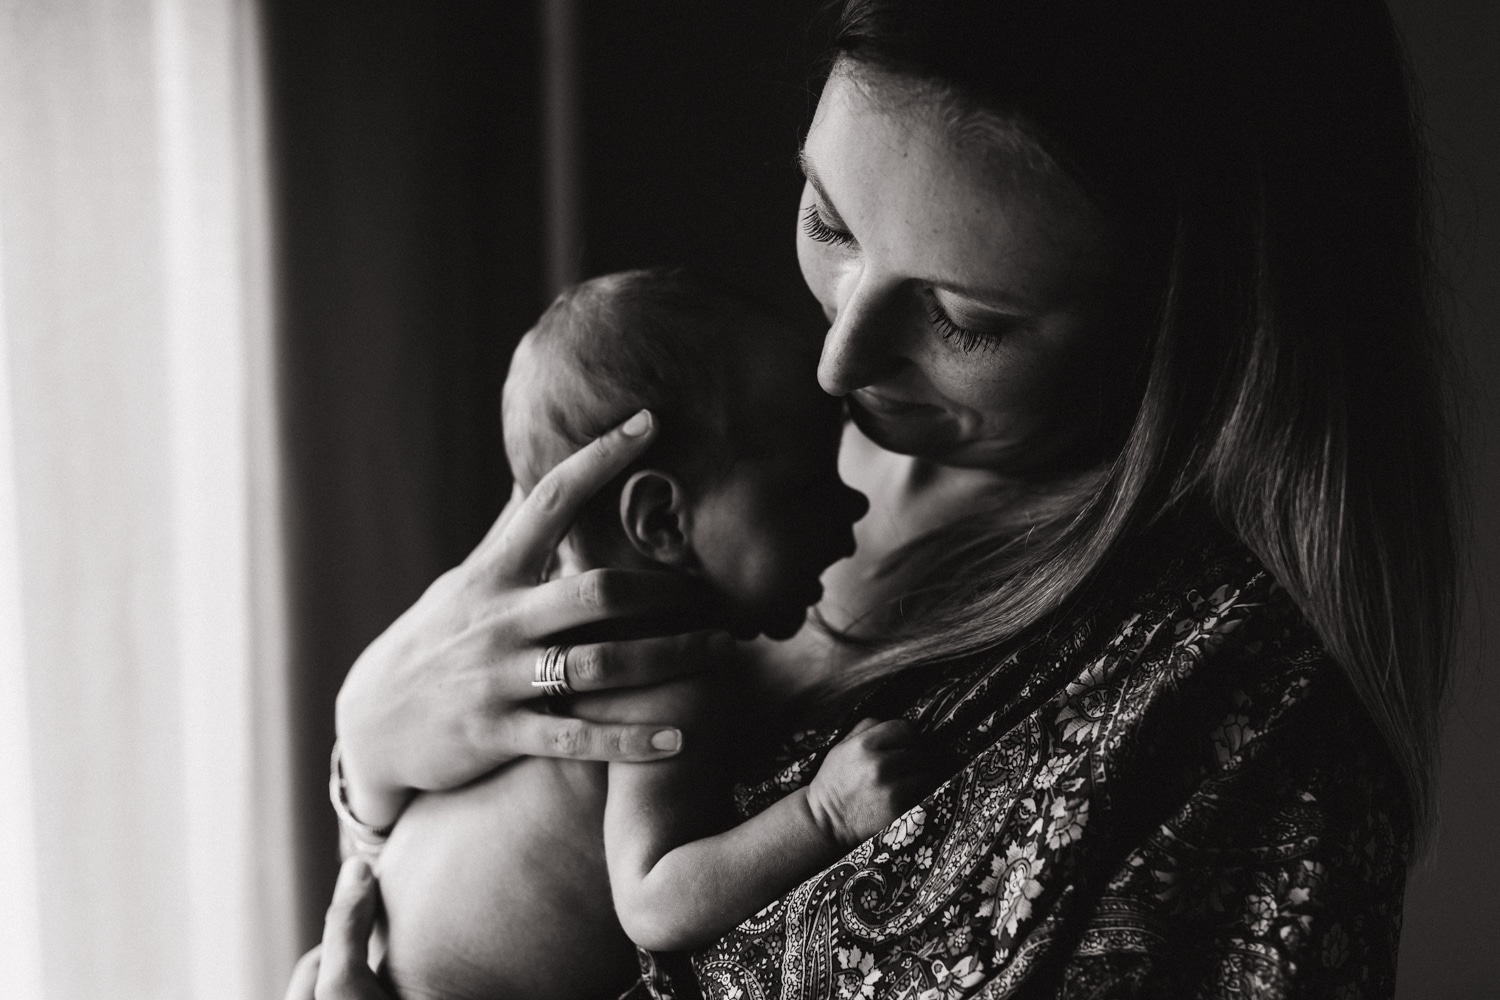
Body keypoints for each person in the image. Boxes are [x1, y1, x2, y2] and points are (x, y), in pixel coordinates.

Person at [291, 1, 1459, 998]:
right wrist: (372, 756)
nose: (839, 364)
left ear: (1194, 325)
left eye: (967, 319)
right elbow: (502, 871)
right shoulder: (738, 478)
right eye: (829, 222)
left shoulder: (1237, 718)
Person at [370, 268, 931, 1000]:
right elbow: (656, 902)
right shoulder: (660, 682)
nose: (851, 502)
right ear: (662, 523)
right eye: (802, 490)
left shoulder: (536, 626)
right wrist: (823, 814)